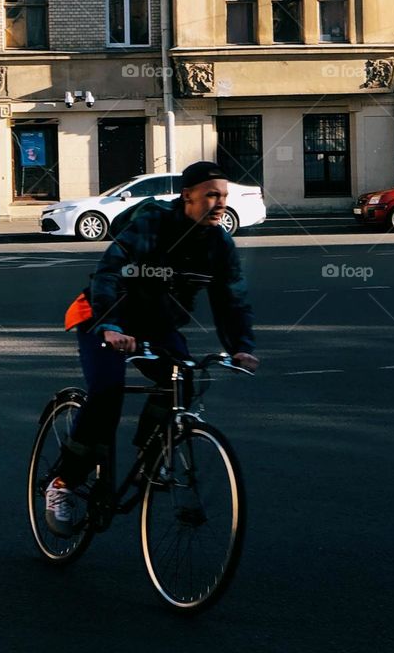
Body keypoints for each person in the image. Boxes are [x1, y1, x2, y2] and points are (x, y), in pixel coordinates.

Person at [45, 161, 258, 537]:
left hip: (155, 323)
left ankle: (152, 450)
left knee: (183, 379)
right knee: (107, 392)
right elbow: (109, 271)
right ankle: (62, 483)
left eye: (223, 195)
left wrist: (240, 346)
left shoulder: (219, 243)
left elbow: (232, 298)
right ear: (187, 197)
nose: (220, 203)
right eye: (211, 194)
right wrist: (110, 325)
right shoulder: (153, 224)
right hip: (103, 314)